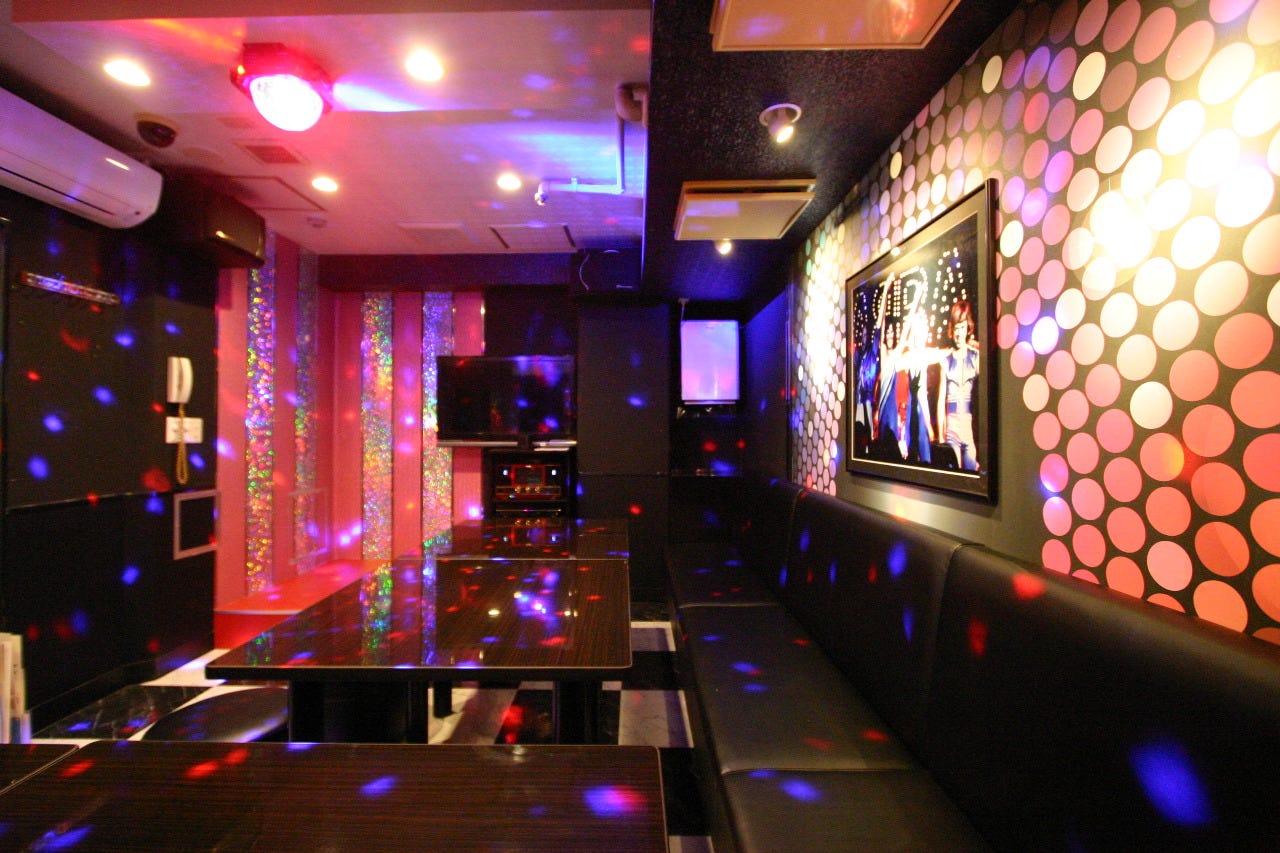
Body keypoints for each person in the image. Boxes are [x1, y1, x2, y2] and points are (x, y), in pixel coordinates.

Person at [936, 300, 980, 471]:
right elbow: (941, 402)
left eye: (962, 327)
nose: (959, 333)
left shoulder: (975, 357)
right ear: (951, 329)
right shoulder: (946, 361)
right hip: (951, 434)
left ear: (968, 327)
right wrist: (941, 438)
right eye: (956, 328)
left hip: (969, 433)